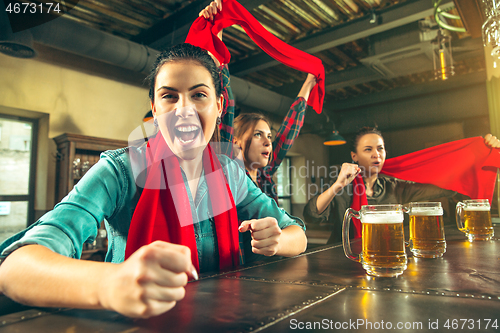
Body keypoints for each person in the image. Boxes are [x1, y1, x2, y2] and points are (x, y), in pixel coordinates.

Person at [0, 43, 307, 318]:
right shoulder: (120, 171)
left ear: (219, 106)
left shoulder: (230, 173)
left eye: (199, 95)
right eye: (169, 96)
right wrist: (111, 283)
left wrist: (278, 239)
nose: (183, 109)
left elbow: (298, 233)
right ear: (155, 109)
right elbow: (15, 268)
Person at [199, 0, 318, 203]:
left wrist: (310, 82)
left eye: (269, 136)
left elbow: (288, 134)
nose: (267, 142)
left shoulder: (265, 175)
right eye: (257, 134)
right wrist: (216, 32)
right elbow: (226, 104)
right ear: (235, 142)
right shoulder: (227, 169)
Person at [303, 127, 500, 244]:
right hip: (341, 260)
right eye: (368, 149)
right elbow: (311, 215)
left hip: (386, 257)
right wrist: (337, 185)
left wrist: (480, 156)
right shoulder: (342, 187)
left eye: (380, 149)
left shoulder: (395, 187)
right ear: (354, 156)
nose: (376, 154)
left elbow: (446, 187)